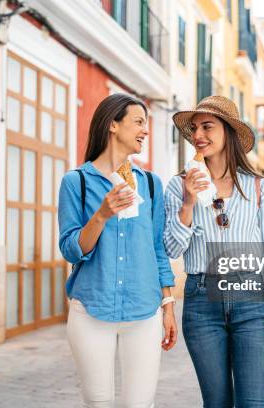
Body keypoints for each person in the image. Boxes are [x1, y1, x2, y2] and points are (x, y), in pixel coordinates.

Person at [164, 95, 264, 407]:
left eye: (207, 126)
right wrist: (189, 203)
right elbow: (171, 247)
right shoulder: (178, 187)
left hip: (251, 301)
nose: (198, 135)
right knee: (217, 403)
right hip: (201, 301)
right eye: (194, 128)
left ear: (229, 132)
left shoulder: (259, 188)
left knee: (253, 403)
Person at [58, 93, 177, 408]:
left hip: (144, 312)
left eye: (146, 123)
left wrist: (168, 306)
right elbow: (71, 250)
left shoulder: (150, 184)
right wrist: (101, 214)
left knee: (140, 404)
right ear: (113, 124)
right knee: (99, 403)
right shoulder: (76, 182)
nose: (146, 131)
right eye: (139, 122)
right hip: (92, 311)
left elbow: (157, 248)